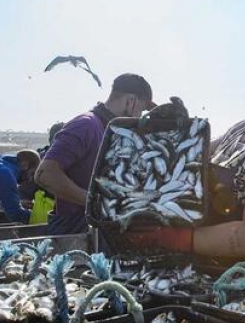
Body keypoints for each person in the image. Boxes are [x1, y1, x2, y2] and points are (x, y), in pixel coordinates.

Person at [122, 48, 245, 286]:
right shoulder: (241, 130)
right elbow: (191, 159)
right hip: (214, 267)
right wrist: (173, 132)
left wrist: (176, 239)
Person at [35, 73, 156, 235]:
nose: (138, 117)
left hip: (101, 229)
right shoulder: (86, 125)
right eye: (140, 110)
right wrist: (93, 202)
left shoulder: (112, 132)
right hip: (74, 231)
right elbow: (45, 174)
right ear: (131, 101)